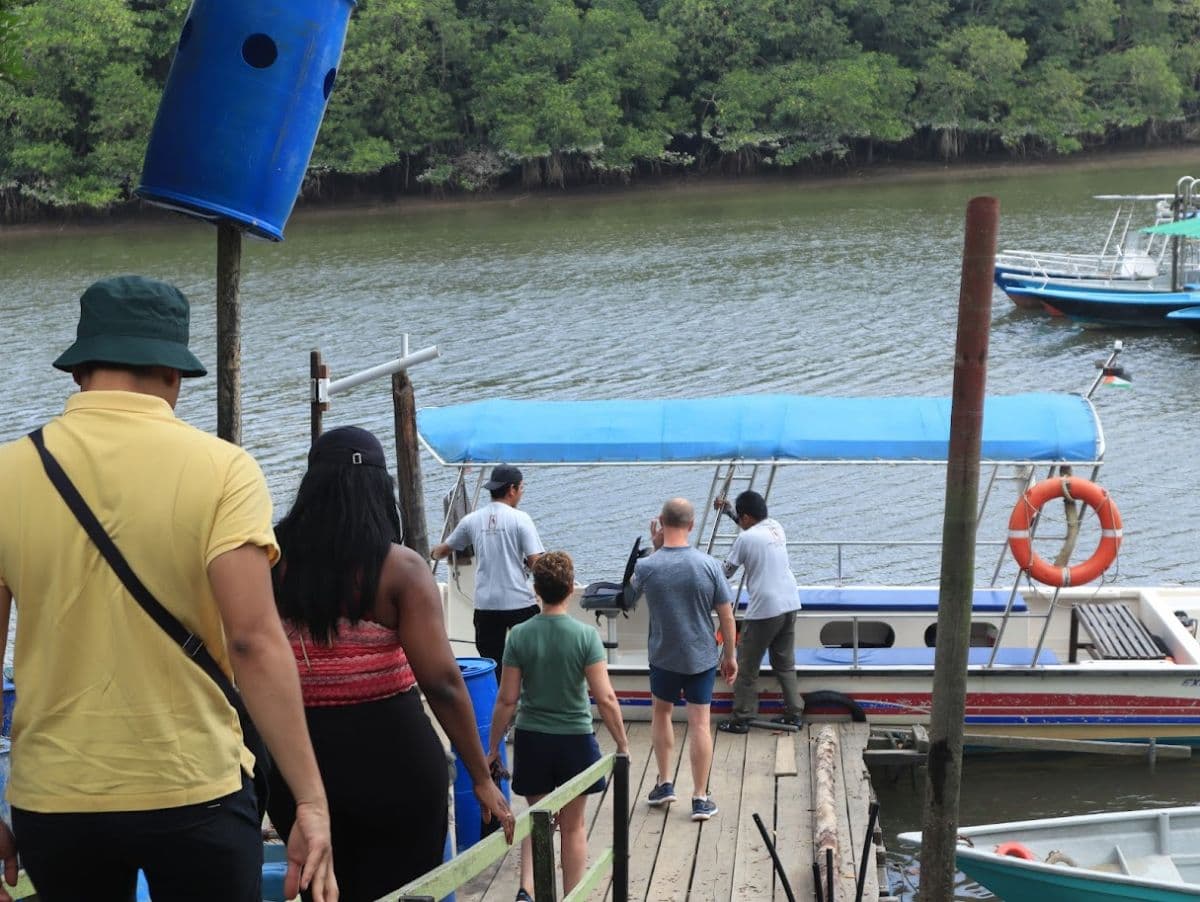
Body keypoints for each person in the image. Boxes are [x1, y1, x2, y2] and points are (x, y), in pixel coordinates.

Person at [0, 275, 335, 902]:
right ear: (174, 374)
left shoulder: (7, 474)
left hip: (55, 796)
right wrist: (310, 802)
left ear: (79, 371)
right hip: (194, 789)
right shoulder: (224, 471)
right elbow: (253, 643)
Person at [270, 426, 515, 902]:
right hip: (395, 764)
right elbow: (443, 683)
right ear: (382, 490)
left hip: (301, 764)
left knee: (325, 891)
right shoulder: (399, 568)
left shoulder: (272, 559)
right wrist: (481, 778)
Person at [487, 551, 628, 902]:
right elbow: (605, 698)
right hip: (575, 742)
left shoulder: (518, 636)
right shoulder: (585, 636)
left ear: (536, 590)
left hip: (533, 739)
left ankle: (526, 891)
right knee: (573, 826)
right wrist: (622, 743)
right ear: (570, 589)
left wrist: (492, 747)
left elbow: (507, 700)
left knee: (537, 819)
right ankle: (572, 896)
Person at [631, 498, 737, 822]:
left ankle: (665, 783)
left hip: (663, 654)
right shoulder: (710, 566)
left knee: (661, 714)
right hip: (701, 656)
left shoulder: (646, 566)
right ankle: (701, 797)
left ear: (660, 522)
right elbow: (726, 616)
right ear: (691, 525)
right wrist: (729, 655)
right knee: (700, 723)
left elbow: (629, 596)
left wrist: (654, 548)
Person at [431, 464, 544, 681]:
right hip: (519, 602)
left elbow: (444, 550)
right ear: (511, 489)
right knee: (534, 658)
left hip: (486, 605)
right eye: (521, 488)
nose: (522, 492)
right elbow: (536, 562)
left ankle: (498, 705)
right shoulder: (521, 519)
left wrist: (430, 554)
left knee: (492, 664)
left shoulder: (471, 520)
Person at [713, 491, 804, 733]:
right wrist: (730, 511)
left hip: (765, 608)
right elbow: (749, 529)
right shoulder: (776, 527)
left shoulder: (745, 540)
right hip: (790, 602)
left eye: (740, 518)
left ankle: (742, 717)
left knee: (745, 665)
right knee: (784, 663)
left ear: (747, 517)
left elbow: (726, 572)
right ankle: (795, 713)